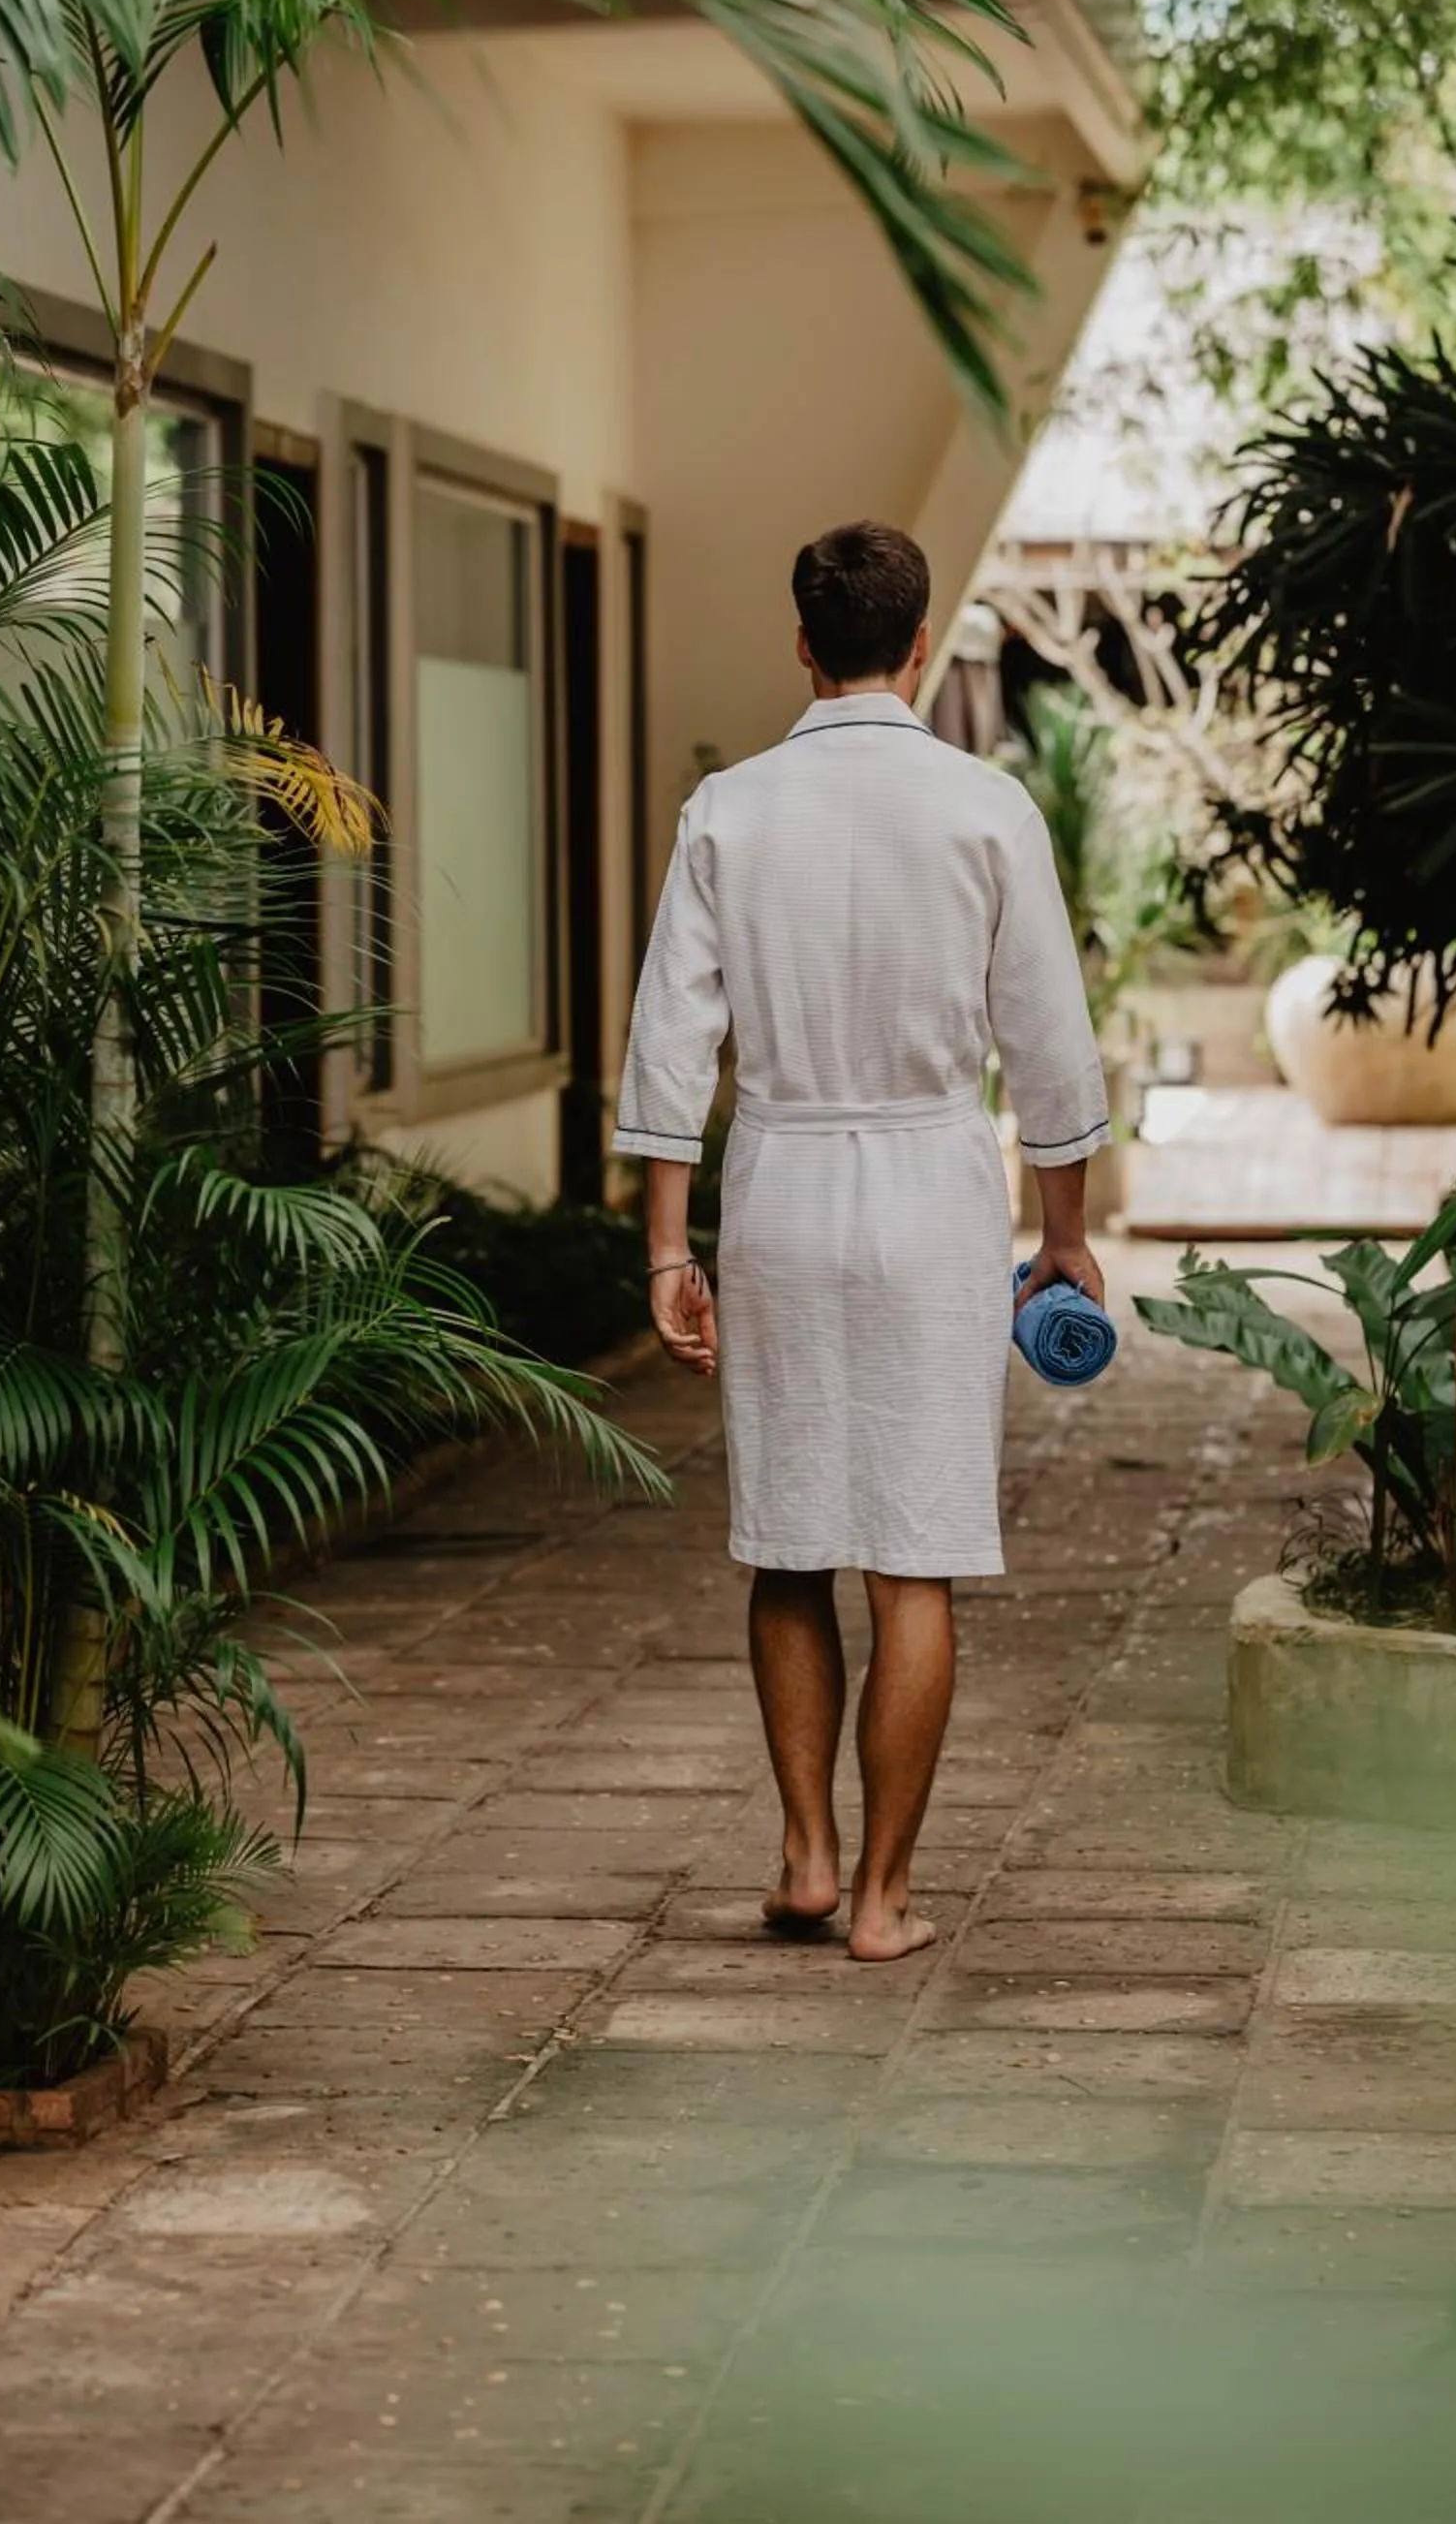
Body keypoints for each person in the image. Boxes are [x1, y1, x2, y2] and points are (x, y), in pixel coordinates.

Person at [612, 521, 1108, 1962]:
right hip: (934, 1192)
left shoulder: (728, 810)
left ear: (800, 644)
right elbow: (1051, 1053)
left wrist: (665, 1247)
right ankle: (887, 1899)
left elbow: (669, 1042)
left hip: (780, 1190)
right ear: (918, 641)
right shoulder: (985, 808)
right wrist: (1063, 1238)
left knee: (788, 1546)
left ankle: (806, 1856)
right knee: (915, 1559)